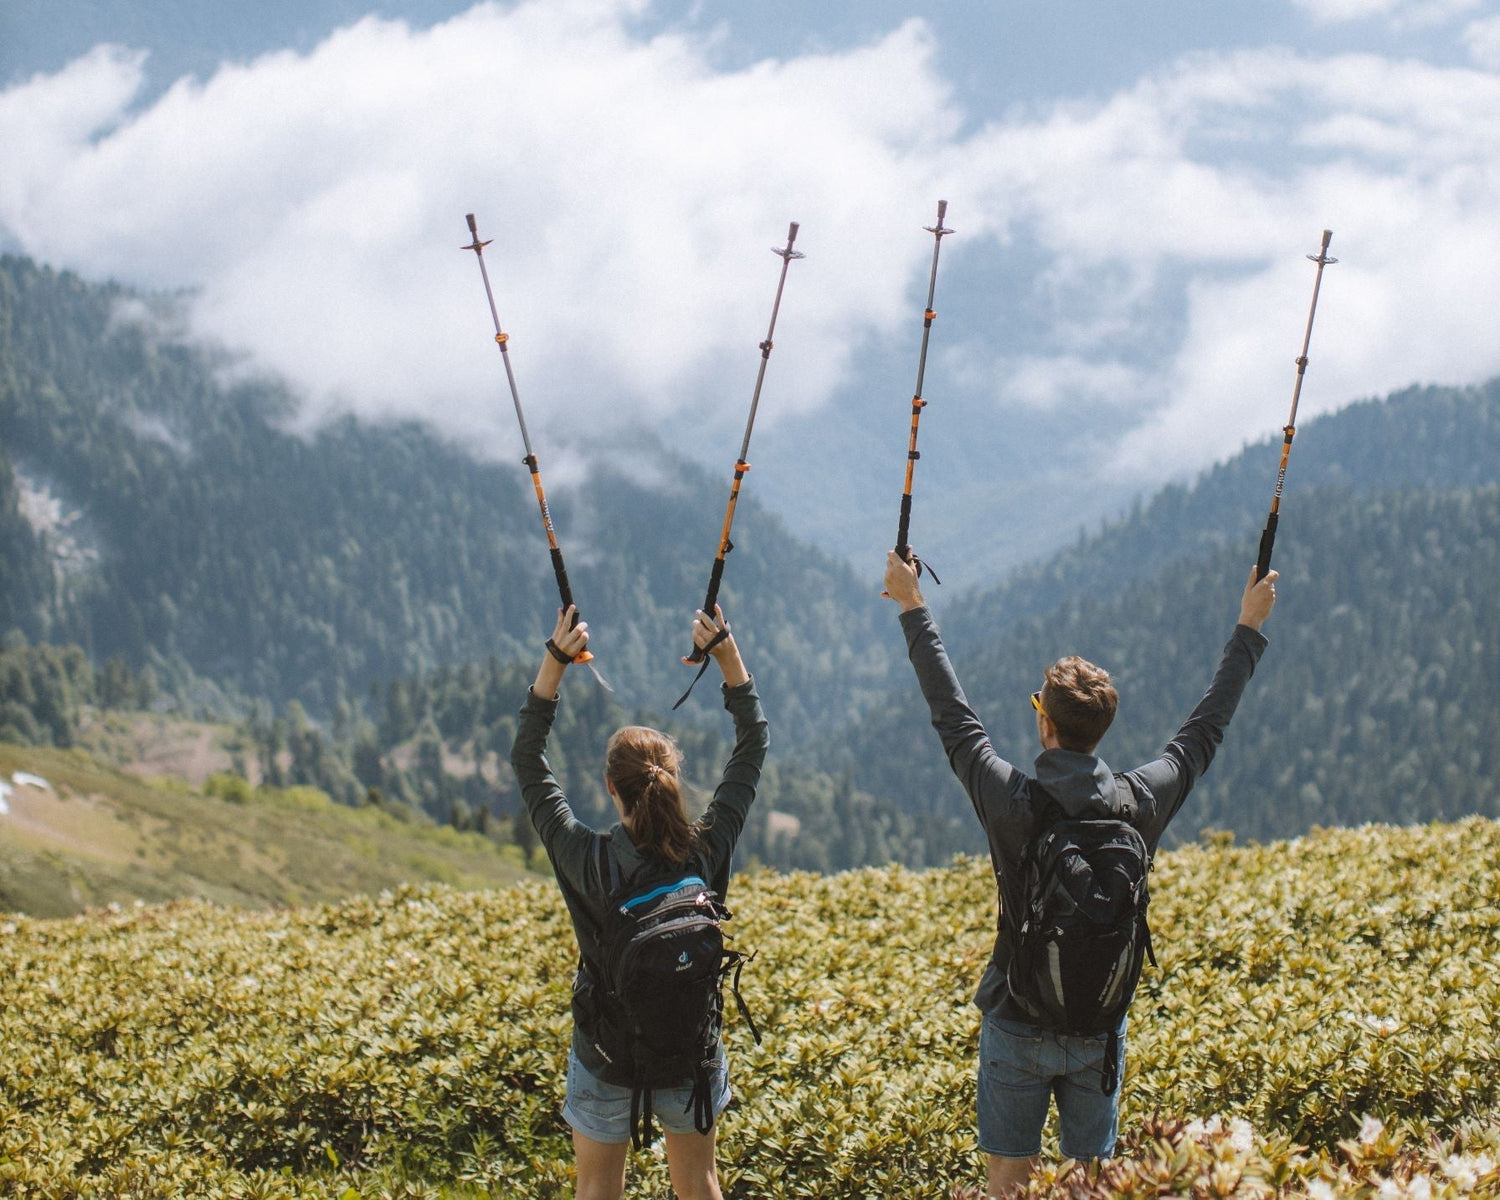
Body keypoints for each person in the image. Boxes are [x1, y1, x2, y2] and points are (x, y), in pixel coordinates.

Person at [882, 552, 1278, 1196]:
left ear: (1044, 722)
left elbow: (954, 719)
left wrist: (913, 607)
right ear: (1101, 730)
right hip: (1099, 1023)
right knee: (1090, 1184)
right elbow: (1203, 734)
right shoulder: (1138, 802)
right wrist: (1248, 626)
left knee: (1008, 1179)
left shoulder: (1013, 802)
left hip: (1016, 1014)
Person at [510, 602, 767, 1200]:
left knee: (598, 1190)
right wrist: (726, 654)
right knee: (700, 1184)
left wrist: (556, 661)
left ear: (609, 788)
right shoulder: (705, 851)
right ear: (674, 778)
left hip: (607, 1054)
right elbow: (753, 742)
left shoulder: (588, 859)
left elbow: (528, 759)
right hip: (691, 1051)